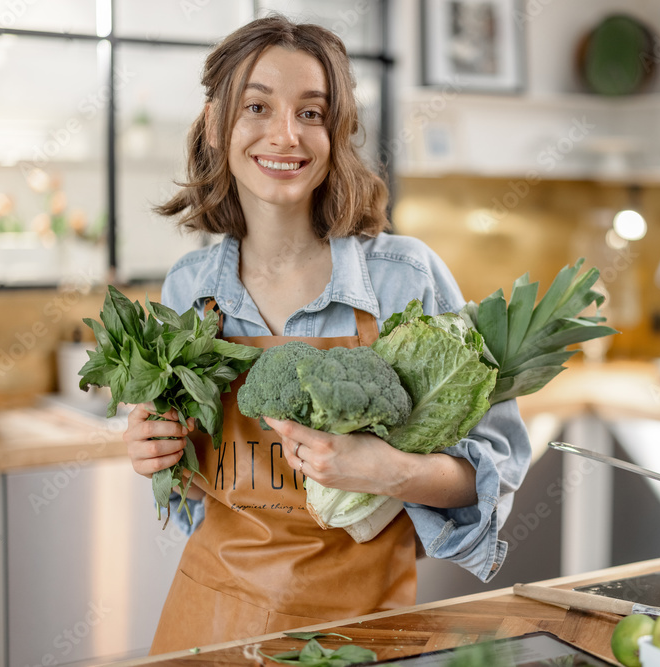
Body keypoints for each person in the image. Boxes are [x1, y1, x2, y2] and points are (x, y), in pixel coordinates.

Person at [120, 15, 531, 654]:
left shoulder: (405, 278)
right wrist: (154, 448)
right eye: (257, 106)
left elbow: (494, 468)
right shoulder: (188, 290)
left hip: (359, 632)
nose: (286, 135)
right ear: (214, 123)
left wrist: (391, 472)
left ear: (335, 133)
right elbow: (182, 488)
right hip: (211, 618)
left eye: (311, 113)